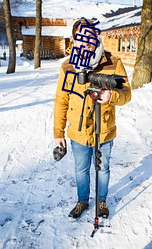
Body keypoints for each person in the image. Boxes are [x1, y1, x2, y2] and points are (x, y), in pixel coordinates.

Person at [53, 19, 131, 219]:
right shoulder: (67, 67)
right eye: (82, 37)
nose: (86, 41)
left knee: (103, 167)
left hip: (104, 129)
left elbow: (126, 94)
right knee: (81, 169)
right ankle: (82, 201)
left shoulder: (113, 63)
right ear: (74, 40)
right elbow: (61, 101)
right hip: (78, 132)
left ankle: (101, 201)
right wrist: (58, 133)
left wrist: (111, 96)